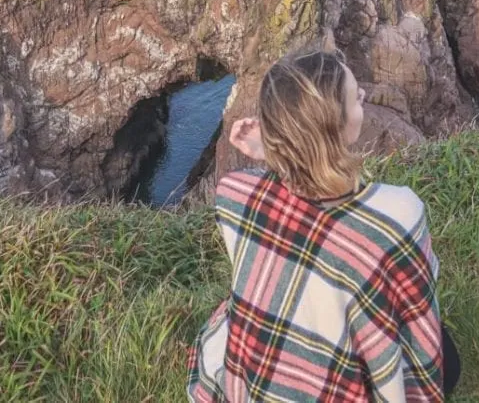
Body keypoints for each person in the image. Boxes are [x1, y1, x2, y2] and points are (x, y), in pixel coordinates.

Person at [187, 36, 461, 402]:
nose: (362, 94)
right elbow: (415, 314)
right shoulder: (399, 214)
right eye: (352, 96)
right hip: (336, 388)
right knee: (448, 354)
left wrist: (270, 149)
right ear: (335, 127)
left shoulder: (235, 196)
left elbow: (294, 180)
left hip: (260, 383)